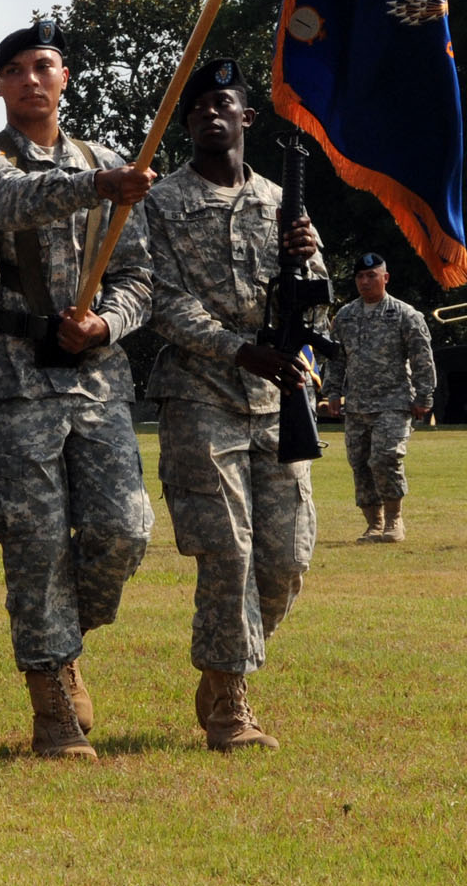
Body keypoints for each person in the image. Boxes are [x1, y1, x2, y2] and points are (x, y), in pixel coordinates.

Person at [0, 16, 157, 760]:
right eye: (18, 69)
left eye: (46, 65)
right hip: (13, 381)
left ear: (65, 77)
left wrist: (106, 324)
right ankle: (50, 702)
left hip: (97, 382)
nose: (33, 79)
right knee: (35, 545)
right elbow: (8, 205)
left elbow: (140, 275)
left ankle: (66, 641)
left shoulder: (112, 162)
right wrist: (97, 186)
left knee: (123, 531)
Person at [143, 59, 324, 751]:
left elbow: (317, 297)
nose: (210, 115)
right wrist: (232, 348)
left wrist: (307, 257)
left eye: (224, 103)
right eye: (198, 108)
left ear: (246, 118)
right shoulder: (160, 204)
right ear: (186, 123)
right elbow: (160, 298)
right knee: (228, 550)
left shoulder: (284, 202)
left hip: (280, 397)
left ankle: (227, 665)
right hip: (201, 391)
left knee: (286, 558)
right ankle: (230, 700)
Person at [330, 253, 436, 544]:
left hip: (394, 401)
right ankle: (373, 524)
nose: (365, 282)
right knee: (360, 463)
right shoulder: (345, 316)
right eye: (360, 277)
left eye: (371, 276)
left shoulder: (405, 315)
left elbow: (422, 359)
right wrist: (333, 393)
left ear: (385, 278)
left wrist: (425, 395)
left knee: (386, 457)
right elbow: (336, 360)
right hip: (357, 404)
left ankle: (393, 520)